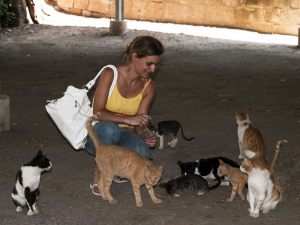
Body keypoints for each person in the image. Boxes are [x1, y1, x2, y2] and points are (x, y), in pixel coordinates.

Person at [84, 35, 165, 195]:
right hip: (99, 133)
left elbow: (138, 126)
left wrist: (146, 133)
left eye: (156, 65)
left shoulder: (149, 87)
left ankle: (118, 168)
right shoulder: (110, 74)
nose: (153, 69)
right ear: (135, 57)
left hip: (125, 134)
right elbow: (98, 113)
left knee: (146, 162)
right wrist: (127, 119)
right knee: (110, 129)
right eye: (149, 63)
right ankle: (99, 174)